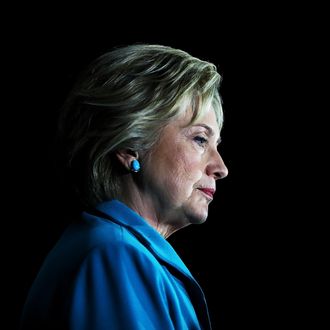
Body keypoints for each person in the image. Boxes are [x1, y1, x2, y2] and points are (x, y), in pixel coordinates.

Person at [20, 43, 228, 330]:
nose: (221, 168)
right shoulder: (114, 256)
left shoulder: (121, 251)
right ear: (131, 147)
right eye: (200, 140)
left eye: (216, 144)